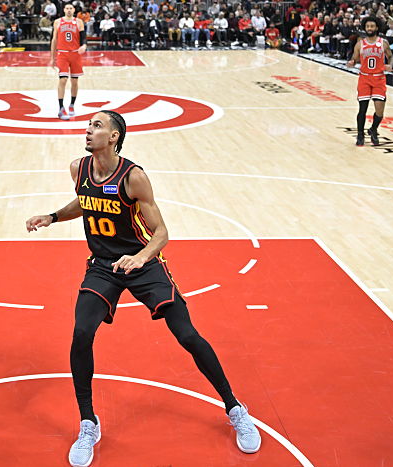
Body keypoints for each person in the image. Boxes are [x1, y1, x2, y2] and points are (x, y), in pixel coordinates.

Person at [25, 111, 261, 467]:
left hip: (144, 265)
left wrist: (139, 258)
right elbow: (84, 201)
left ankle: (235, 407)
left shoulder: (134, 177)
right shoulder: (79, 168)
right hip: (103, 266)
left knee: (187, 334)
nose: (88, 130)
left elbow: (161, 232)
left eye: (97, 126)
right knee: (81, 333)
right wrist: (53, 216)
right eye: (89, 125)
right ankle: (89, 423)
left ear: (115, 137)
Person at [347, 16, 393, 146]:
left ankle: (373, 129)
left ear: (377, 27)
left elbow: (390, 57)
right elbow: (354, 59)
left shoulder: (383, 43)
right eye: (367, 26)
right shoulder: (360, 44)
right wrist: (352, 62)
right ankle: (360, 134)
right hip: (365, 77)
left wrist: (390, 64)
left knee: (380, 111)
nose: (369, 28)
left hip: (379, 78)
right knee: (363, 109)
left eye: (372, 26)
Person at [51, 3, 86, 120]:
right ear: (64, 10)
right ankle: (61, 108)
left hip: (75, 53)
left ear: (74, 10)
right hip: (62, 53)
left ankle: (71, 105)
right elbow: (54, 39)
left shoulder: (79, 22)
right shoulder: (57, 22)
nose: (69, 10)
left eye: (71, 8)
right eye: (67, 8)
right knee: (63, 79)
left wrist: (84, 45)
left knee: (75, 81)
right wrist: (52, 58)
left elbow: (83, 37)